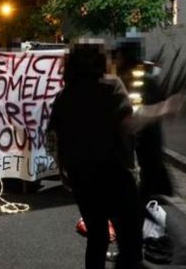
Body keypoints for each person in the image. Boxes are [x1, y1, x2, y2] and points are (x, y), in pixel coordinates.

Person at [47, 41, 143, 269]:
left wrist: (63, 171)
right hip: (113, 172)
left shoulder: (65, 95)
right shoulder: (111, 86)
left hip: (81, 175)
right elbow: (126, 127)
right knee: (128, 236)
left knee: (97, 236)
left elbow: (55, 137)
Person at [115, 39, 173, 202]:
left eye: (119, 54)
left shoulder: (136, 76)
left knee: (143, 173)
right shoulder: (132, 74)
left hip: (141, 132)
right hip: (138, 133)